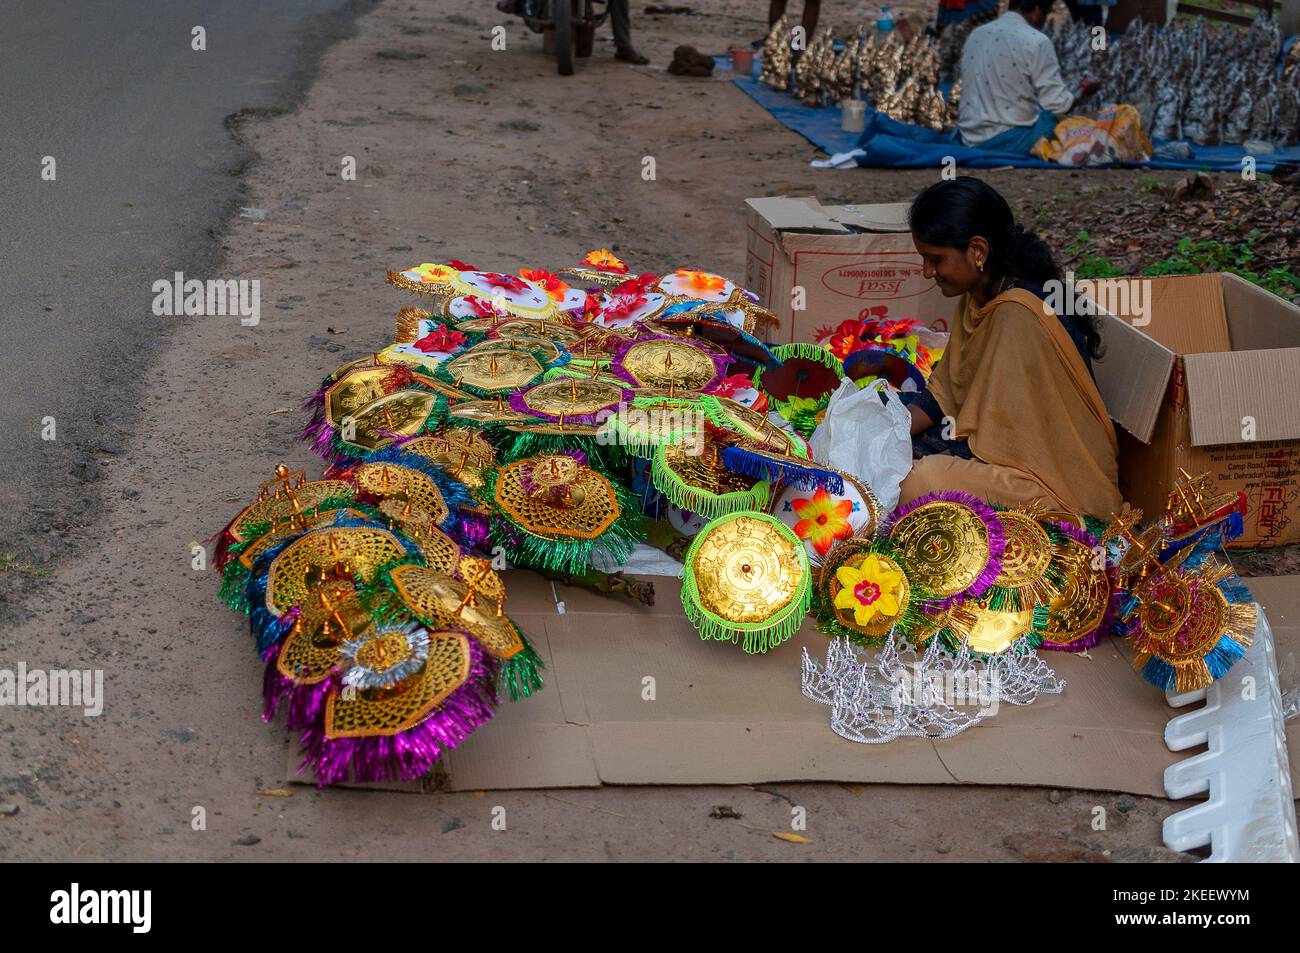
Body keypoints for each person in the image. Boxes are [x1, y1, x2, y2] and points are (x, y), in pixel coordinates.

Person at [898, 177, 1122, 516]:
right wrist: (887, 432)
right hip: (993, 449)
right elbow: (945, 397)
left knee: (918, 482)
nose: (928, 271)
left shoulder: (1016, 314)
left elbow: (998, 446)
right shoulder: (979, 297)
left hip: (1050, 484)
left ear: (977, 251)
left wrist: (910, 454)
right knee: (888, 423)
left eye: (935, 259)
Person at [956, 0, 1076, 154]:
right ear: (1037, 10)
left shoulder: (976, 34)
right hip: (1012, 140)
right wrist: (1082, 93)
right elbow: (1057, 105)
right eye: (1045, 14)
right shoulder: (1037, 40)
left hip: (969, 138)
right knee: (1059, 123)